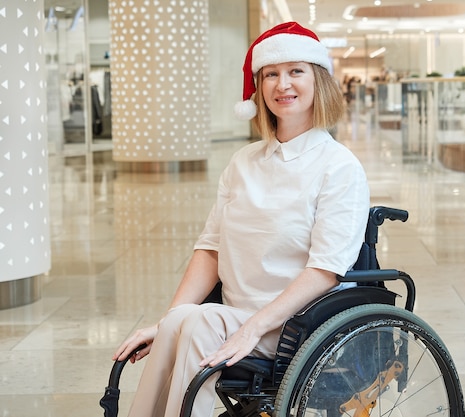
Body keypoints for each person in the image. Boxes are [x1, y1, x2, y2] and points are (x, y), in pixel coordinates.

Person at [112, 21, 370, 417]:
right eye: (271, 74)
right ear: (258, 88)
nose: (282, 84)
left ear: (318, 80)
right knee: (187, 319)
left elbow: (326, 270)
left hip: (297, 326)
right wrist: (166, 324)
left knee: (199, 324)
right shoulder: (242, 163)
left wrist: (253, 327)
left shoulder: (339, 167)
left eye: (295, 71)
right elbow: (211, 249)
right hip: (228, 317)